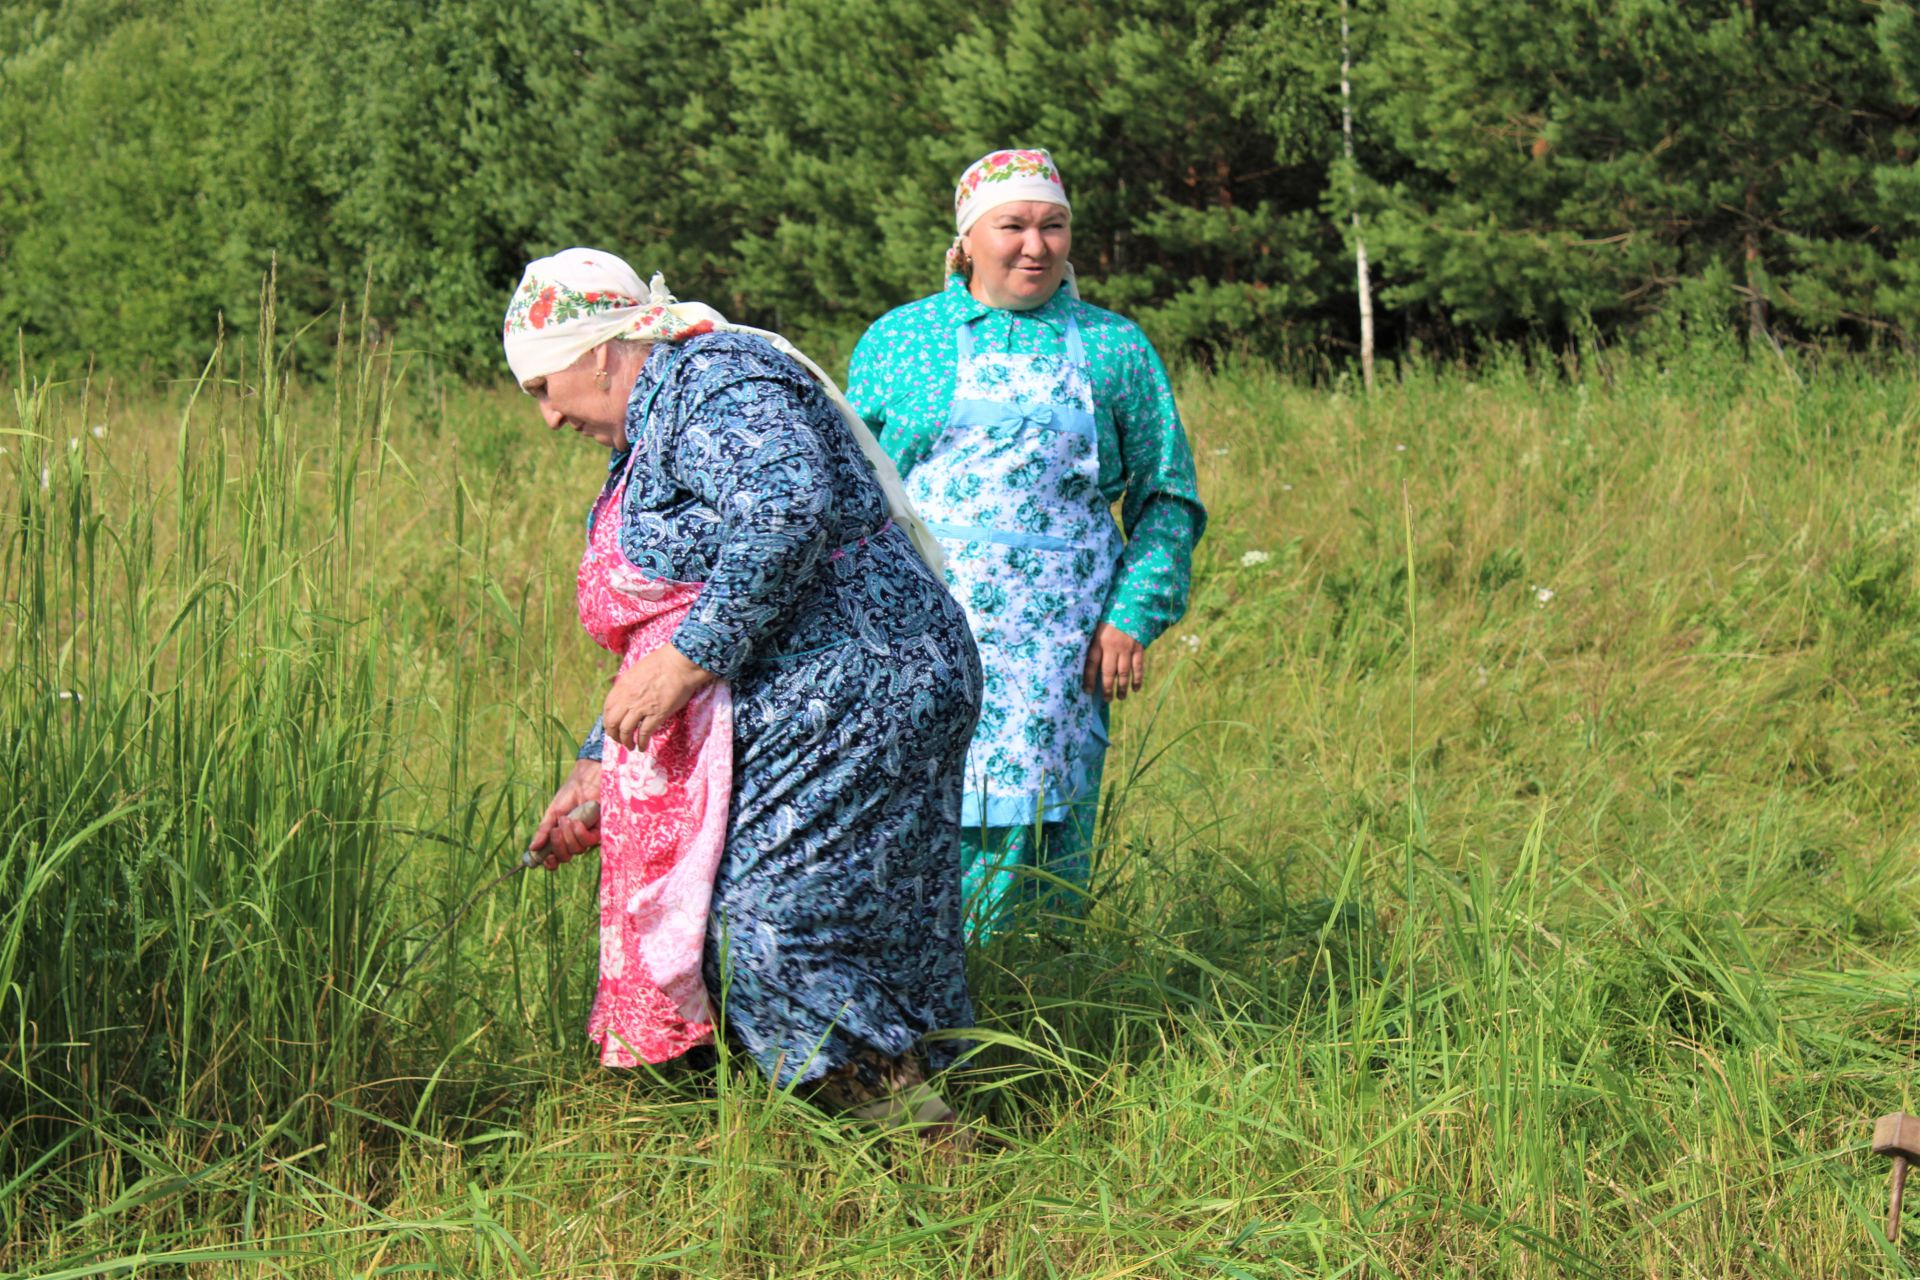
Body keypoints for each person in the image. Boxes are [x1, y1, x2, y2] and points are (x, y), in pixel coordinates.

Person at [504, 248, 979, 1130]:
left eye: (543, 386)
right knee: (795, 923)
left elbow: (787, 506)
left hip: (861, 681)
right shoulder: (658, 420)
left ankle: (931, 1154)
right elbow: (671, 615)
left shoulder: (716, 379)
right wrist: (601, 761)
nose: (546, 419)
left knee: (765, 924)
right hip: (813, 687)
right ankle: (890, 1133)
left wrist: (692, 662)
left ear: (601, 349)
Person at [846, 149, 1206, 938]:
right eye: (1013, 226)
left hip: (1060, 649)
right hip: (921, 641)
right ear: (967, 240)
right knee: (909, 826)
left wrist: (1131, 617)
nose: (1035, 246)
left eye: (1054, 225)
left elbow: (1168, 498)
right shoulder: (903, 340)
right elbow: (849, 502)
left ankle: (1036, 1007)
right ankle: (920, 1017)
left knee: (1037, 835)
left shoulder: (1114, 348)